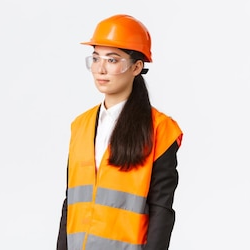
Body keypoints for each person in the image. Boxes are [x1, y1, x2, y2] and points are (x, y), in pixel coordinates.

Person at [56, 14, 183, 250]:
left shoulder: (160, 129)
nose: (100, 69)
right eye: (95, 59)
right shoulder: (80, 126)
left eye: (112, 60)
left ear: (136, 67)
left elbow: (161, 209)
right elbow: (70, 202)